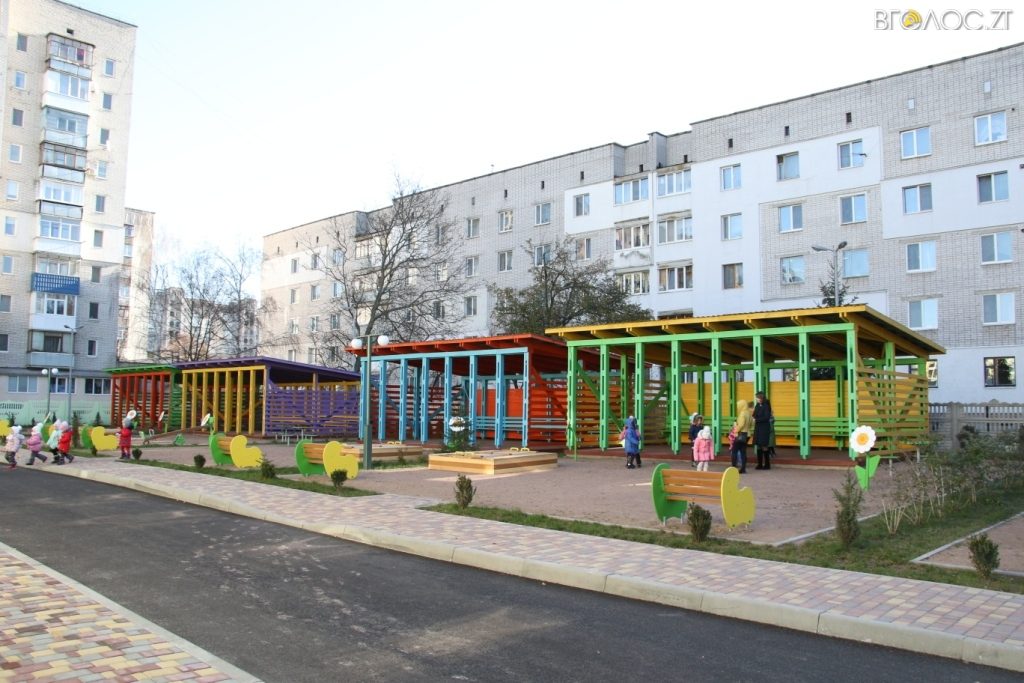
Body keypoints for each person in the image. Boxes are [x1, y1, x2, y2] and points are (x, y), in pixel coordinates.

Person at [752, 391, 774, 470]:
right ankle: (760, 464)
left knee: (764, 446)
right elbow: (754, 414)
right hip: (758, 427)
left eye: (758, 398)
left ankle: (767, 464)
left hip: (764, 428)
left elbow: (766, 417)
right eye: (756, 398)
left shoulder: (766, 406)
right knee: (758, 445)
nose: (757, 399)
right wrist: (754, 417)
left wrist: (756, 419)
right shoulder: (757, 405)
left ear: (761, 398)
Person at [731, 399, 752, 474]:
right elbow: (751, 424)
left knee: (734, 451)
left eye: (738, 405)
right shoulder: (749, 413)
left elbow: (741, 424)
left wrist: (735, 430)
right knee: (743, 452)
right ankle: (743, 468)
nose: (737, 407)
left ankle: (733, 468)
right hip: (747, 434)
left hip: (740, 434)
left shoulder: (742, 413)